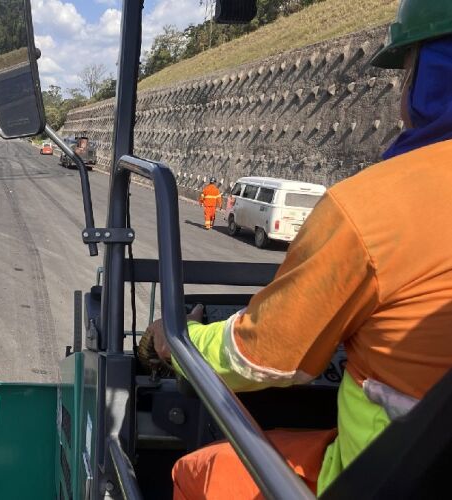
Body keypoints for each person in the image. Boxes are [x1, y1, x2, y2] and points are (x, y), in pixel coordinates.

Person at [149, 1, 452, 497]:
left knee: (198, 471)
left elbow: (263, 357)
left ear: (433, 77)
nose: (400, 95)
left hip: (377, 475)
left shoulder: (375, 208)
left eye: (408, 72)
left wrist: (178, 340)